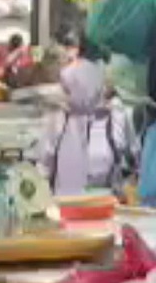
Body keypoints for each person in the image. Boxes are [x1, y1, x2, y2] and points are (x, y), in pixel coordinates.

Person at [34, 55, 138, 197]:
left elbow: (135, 161)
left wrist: (126, 187)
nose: (66, 95)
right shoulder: (58, 119)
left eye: (69, 90)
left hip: (106, 203)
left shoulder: (116, 116)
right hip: (64, 204)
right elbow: (43, 167)